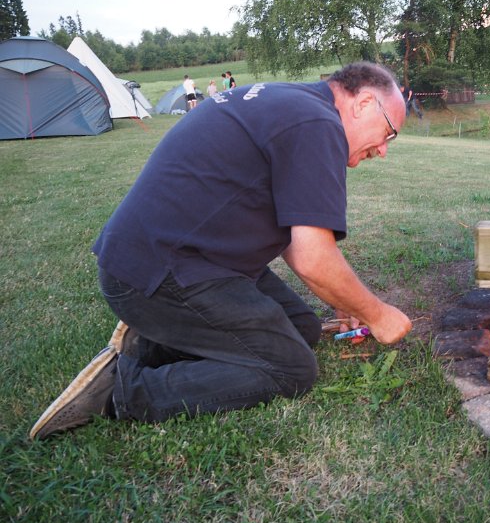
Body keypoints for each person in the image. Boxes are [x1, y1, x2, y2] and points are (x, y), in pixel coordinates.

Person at [30, 62, 412, 440]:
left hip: (181, 257)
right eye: (388, 133)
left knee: (303, 328)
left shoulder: (294, 103)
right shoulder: (318, 123)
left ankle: (157, 340)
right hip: (163, 271)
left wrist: (345, 298)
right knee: (291, 369)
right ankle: (120, 390)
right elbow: (314, 258)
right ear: (363, 104)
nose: (383, 150)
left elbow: (300, 242)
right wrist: (377, 314)